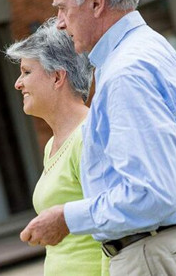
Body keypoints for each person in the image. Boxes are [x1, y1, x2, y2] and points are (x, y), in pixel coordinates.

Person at [20, 0, 176, 275]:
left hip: (154, 255)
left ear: (96, 1)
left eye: (62, 8)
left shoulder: (127, 71)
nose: (59, 23)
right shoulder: (145, 51)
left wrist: (67, 218)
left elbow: (153, 194)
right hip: (165, 251)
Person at [6, 18, 107, 275]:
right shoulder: (53, 144)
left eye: (27, 72)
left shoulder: (88, 136)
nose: (18, 84)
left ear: (57, 77)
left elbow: (112, 224)